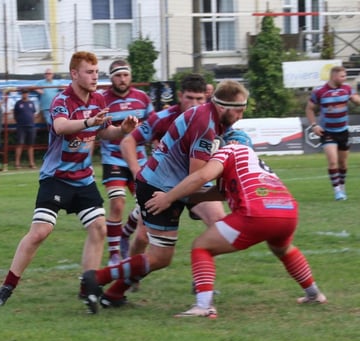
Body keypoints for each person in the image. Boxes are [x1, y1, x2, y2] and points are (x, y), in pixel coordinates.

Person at [80, 80, 248, 313]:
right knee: (157, 254)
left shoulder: (212, 118)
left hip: (172, 185)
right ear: (222, 106)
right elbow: (197, 177)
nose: (242, 115)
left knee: (214, 228)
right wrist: (228, 191)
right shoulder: (205, 125)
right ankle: (95, 278)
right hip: (161, 187)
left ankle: (114, 293)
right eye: (239, 109)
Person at [0, 51, 138, 308]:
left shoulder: (99, 98)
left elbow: (104, 132)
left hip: (83, 179)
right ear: (74, 74)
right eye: (89, 72)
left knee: (99, 228)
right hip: (56, 177)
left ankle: (86, 287)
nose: (95, 77)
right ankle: (7, 287)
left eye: (96, 72)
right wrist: (88, 120)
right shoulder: (62, 100)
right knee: (40, 232)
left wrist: (122, 130)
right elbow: (60, 126)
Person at [143, 129, 327, 317]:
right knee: (283, 249)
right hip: (287, 211)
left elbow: (201, 177)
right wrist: (179, 198)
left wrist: (168, 196)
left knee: (202, 246)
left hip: (258, 213)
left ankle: (204, 306)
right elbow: (216, 194)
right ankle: (314, 293)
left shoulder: (229, 150)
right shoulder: (252, 160)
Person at [118, 73, 209, 260]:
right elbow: (128, 142)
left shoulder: (212, 119)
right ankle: (129, 276)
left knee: (218, 222)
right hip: (161, 184)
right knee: (143, 237)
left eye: (199, 99)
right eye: (189, 98)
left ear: (206, 98)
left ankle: (202, 283)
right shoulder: (162, 118)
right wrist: (137, 172)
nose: (194, 104)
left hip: (196, 183)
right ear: (180, 95)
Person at [99, 59, 153, 264]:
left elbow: (154, 124)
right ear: (111, 77)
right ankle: (114, 256)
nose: (122, 79)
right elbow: (101, 132)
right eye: (118, 75)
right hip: (112, 158)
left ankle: (125, 233)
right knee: (118, 202)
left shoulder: (143, 98)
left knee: (146, 207)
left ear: (130, 76)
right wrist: (120, 131)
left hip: (139, 160)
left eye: (125, 75)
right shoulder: (102, 100)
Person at [305, 65, 360, 201]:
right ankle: (337, 191)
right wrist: (314, 125)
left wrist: (356, 99)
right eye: (342, 76)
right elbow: (309, 109)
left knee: (343, 164)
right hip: (328, 132)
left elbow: (356, 99)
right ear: (334, 76)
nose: (345, 78)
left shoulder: (346, 89)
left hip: (343, 131)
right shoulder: (320, 91)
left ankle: (341, 185)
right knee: (333, 161)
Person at [13, 89, 37, 169]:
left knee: (30, 145)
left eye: (26, 93)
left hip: (31, 126)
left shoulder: (31, 103)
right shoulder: (18, 103)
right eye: (23, 93)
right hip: (21, 126)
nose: (25, 94)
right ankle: (17, 163)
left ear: (28, 94)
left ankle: (31, 163)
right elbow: (15, 115)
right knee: (19, 144)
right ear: (21, 94)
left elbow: (33, 114)